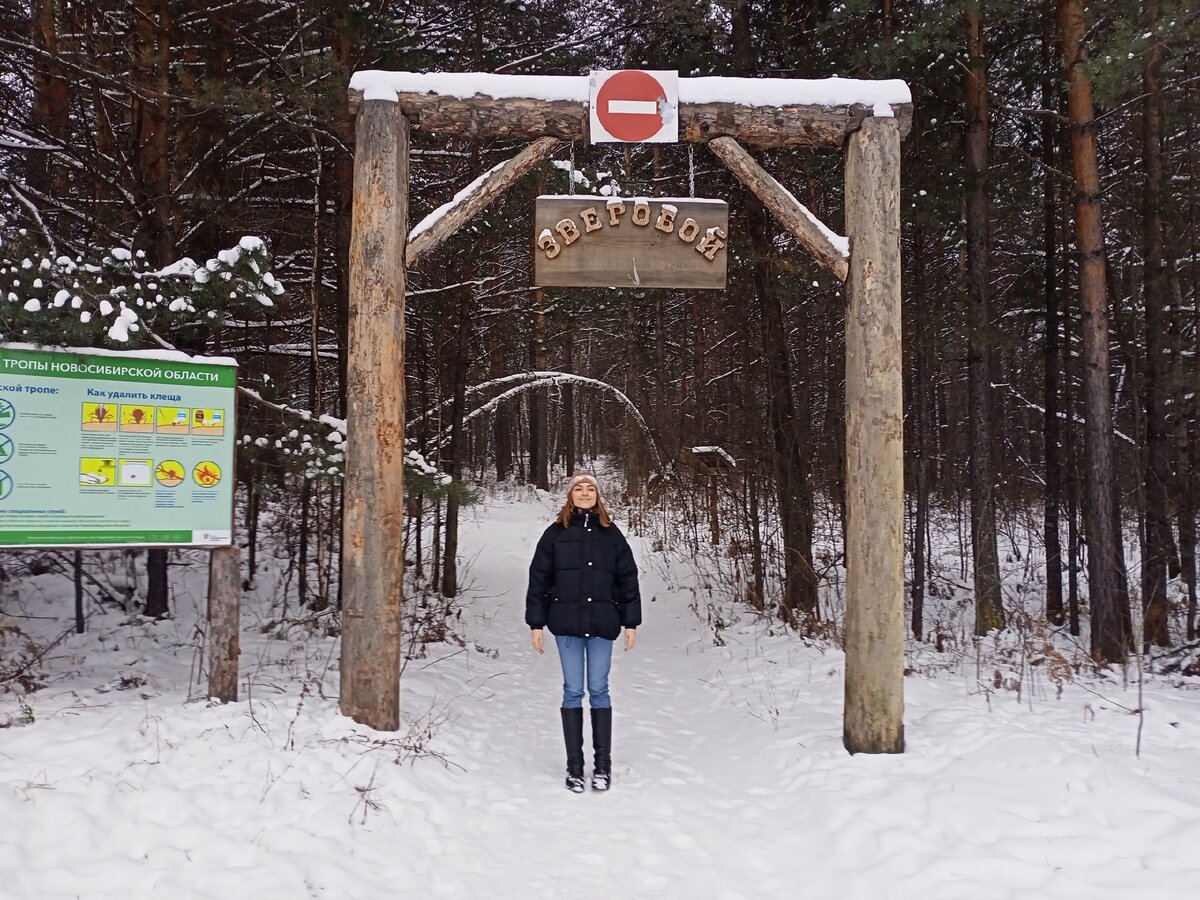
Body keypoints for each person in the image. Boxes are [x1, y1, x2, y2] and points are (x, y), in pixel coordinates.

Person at [526, 473, 641, 792]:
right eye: (580, 488)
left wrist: (630, 622)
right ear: (570, 496)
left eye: (591, 489)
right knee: (573, 690)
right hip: (567, 624)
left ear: (598, 496)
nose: (586, 493)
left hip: (603, 623)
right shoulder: (554, 535)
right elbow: (539, 580)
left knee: (600, 690)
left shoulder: (611, 534)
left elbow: (628, 579)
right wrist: (536, 624)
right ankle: (575, 768)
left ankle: (603, 767)